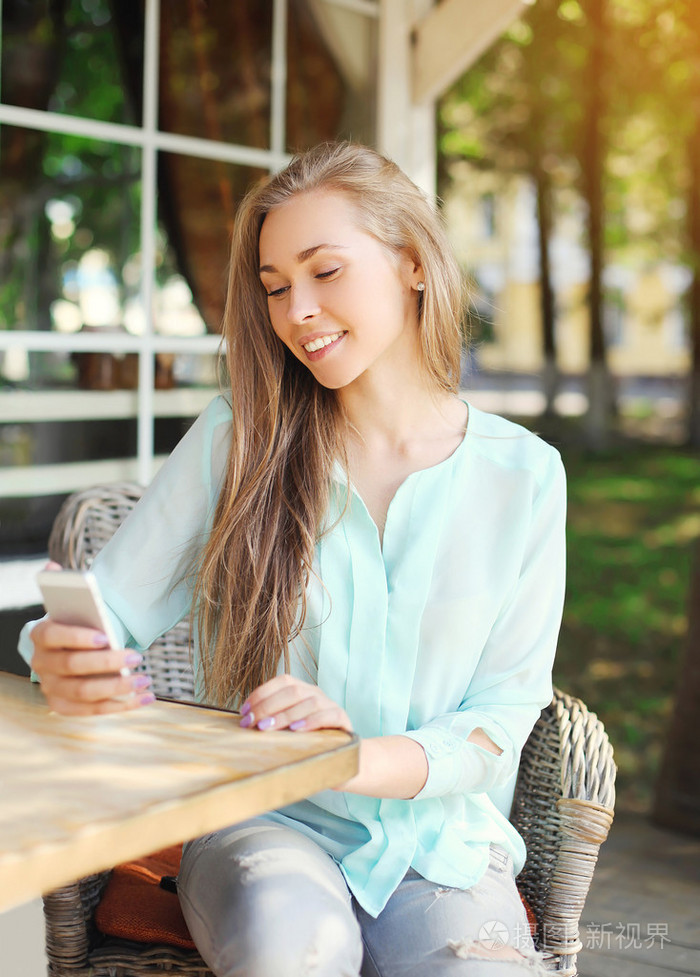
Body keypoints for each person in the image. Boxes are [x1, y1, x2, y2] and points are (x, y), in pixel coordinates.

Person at [21, 142, 564, 976]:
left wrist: (349, 754)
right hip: (263, 826)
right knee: (296, 953)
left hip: (441, 847)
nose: (297, 310)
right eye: (276, 288)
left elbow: (501, 718)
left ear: (415, 264)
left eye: (325, 272)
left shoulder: (524, 476)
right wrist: (65, 657)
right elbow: (108, 613)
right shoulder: (241, 437)